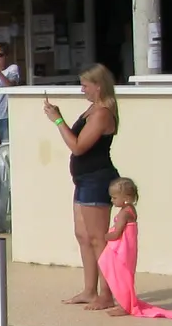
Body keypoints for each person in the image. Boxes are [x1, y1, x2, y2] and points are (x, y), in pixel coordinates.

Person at [45, 64, 119, 310]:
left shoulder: (102, 114)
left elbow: (78, 146)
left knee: (98, 238)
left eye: (85, 85)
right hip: (84, 179)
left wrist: (57, 120)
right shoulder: (92, 109)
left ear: (98, 86)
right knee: (83, 236)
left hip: (97, 180)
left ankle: (106, 294)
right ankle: (90, 290)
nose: (82, 89)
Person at [97, 178, 172, 321]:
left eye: (115, 197)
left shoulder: (124, 213)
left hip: (123, 249)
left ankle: (125, 306)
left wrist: (104, 235)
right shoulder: (131, 210)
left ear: (126, 198)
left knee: (121, 276)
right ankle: (125, 303)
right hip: (129, 248)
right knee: (125, 275)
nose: (112, 200)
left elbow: (117, 233)